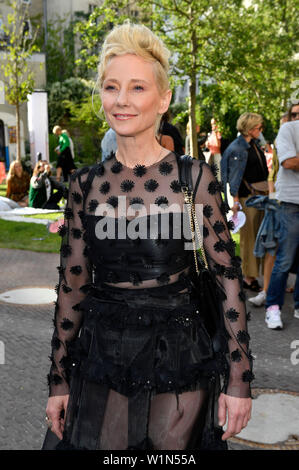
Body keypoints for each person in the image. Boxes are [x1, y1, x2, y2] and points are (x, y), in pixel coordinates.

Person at [43, 22, 252, 451]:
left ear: (163, 99)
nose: (121, 100)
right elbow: (73, 286)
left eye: (137, 87)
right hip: (102, 355)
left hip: (181, 355)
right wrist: (59, 381)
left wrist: (239, 379)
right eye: (111, 86)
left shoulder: (193, 177)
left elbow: (227, 278)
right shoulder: (85, 184)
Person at [221, 113, 269, 293]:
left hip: (259, 197)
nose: (260, 130)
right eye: (258, 128)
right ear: (250, 129)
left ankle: (254, 274)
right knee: (249, 240)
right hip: (247, 198)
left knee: (258, 238)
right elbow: (234, 179)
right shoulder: (238, 149)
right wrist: (234, 203)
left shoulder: (251, 145)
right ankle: (249, 277)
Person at [264, 120, 299, 329]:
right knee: (285, 259)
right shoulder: (289, 129)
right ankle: (273, 308)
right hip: (291, 203)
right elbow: (288, 162)